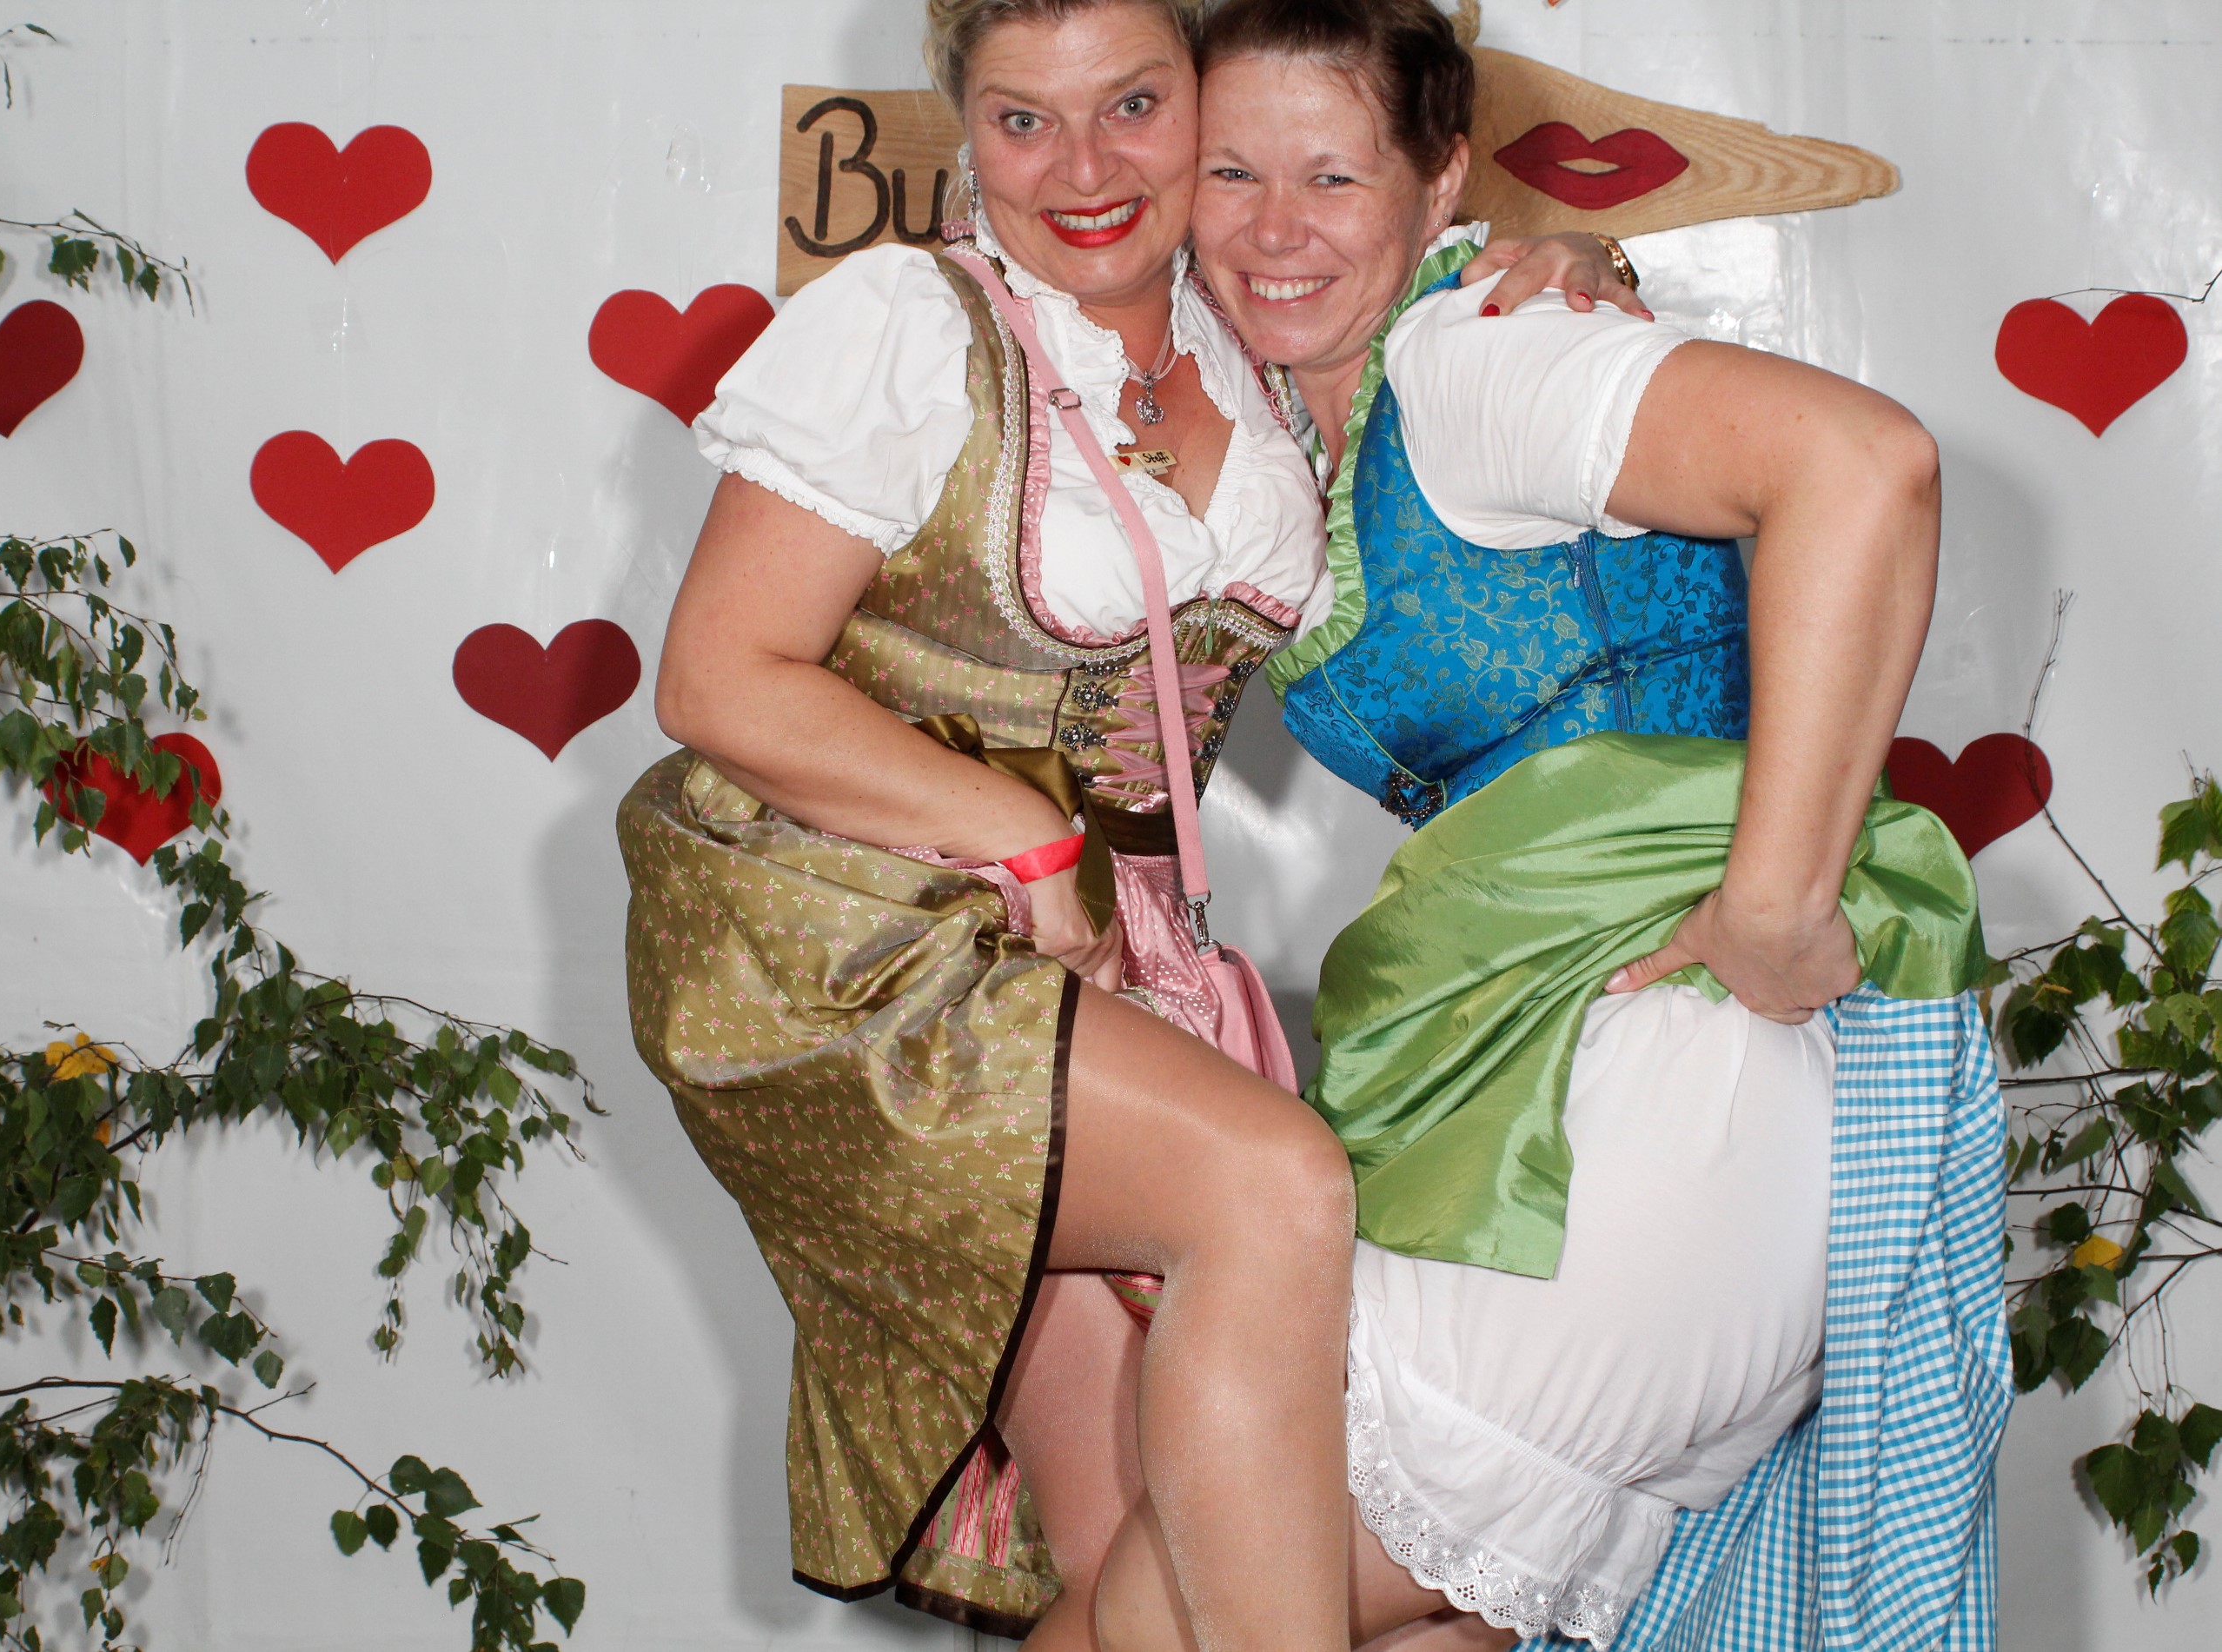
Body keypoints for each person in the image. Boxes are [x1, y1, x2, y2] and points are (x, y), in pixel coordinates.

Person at [620, 1, 1629, 1643]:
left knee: (1128, 1560)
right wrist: (1021, 836)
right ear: (964, 130)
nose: (1081, 168)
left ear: (1199, 102)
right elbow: (717, 676)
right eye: (1022, 119)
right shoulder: (912, 324)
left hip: (1107, 960)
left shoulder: (1253, 342)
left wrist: (1573, 259)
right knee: (1273, 1189)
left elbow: (1412, 263)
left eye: (1135, 107)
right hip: (852, 938)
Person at [1082, 2, 2002, 1649]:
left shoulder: (1474, 358)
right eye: (1233, 172)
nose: (1276, 228)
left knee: (1157, 1612)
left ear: (1440, 184)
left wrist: (1775, 903)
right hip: (1578, 1115)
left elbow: (1865, 466)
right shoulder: (1312, 416)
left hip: (1654, 1107)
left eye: (1332, 176)